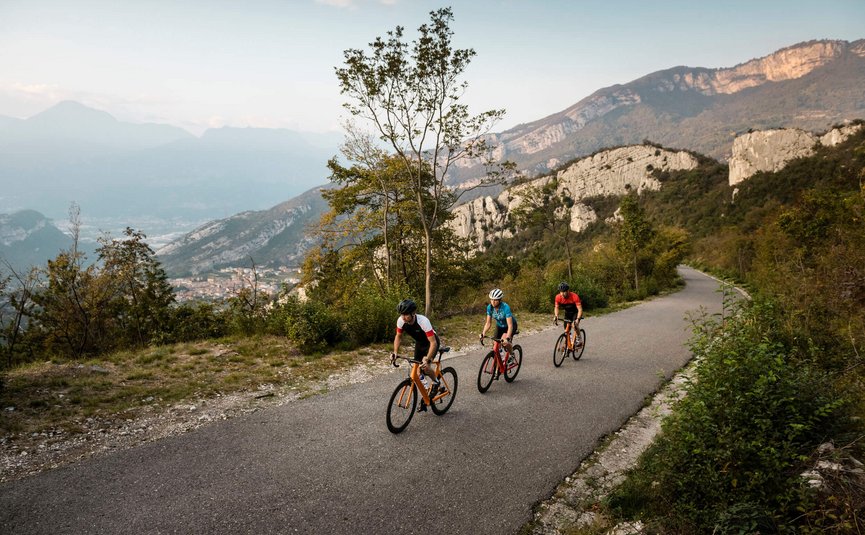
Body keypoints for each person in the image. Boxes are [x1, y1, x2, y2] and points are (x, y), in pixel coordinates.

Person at [392, 299, 440, 412]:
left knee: (425, 367)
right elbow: (398, 336)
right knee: (417, 372)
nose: (403, 317)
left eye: (406, 315)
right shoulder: (401, 321)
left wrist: (427, 358)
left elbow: (433, 343)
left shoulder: (423, 321)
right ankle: (427, 391)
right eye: (402, 314)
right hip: (419, 344)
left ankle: (436, 383)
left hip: (431, 343)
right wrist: (395, 352)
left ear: (413, 313)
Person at [479, 288, 516, 363]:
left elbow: (510, 325)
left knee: (504, 342)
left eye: (495, 300)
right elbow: (488, 323)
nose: (493, 302)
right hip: (499, 326)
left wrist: (507, 338)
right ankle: (502, 360)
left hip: (510, 326)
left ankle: (512, 355)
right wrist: (483, 333)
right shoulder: (490, 308)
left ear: (499, 300)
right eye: (491, 299)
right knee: (495, 344)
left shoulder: (506, 308)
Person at [553, 282, 583, 346]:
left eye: (564, 292)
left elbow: (580, 309)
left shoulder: (574, 296)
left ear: (568, 291)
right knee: (566, 330)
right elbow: (556, 307)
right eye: (561, 292)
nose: (562, 294)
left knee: (574, 325)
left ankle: (579, 339)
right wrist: (556, 316)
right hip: (567, 313)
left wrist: (577, 319)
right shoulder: (558, 297)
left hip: (575, 312)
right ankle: (571, 341)